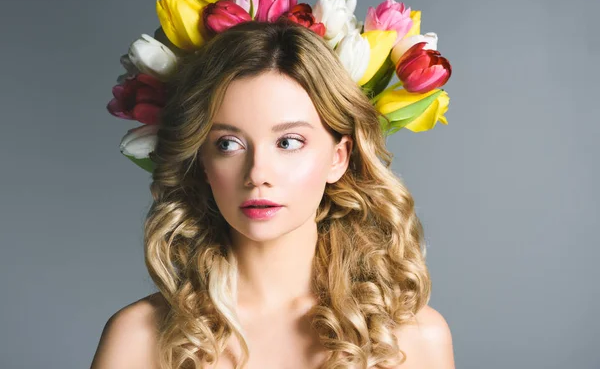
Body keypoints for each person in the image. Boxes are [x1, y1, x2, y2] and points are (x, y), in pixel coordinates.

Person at [91, 19, 455, 369]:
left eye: (288, 141)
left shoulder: (412, 340)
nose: (257, 174)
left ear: (338, 158)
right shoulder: (138, 338)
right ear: (203, 161)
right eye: (228, 143)